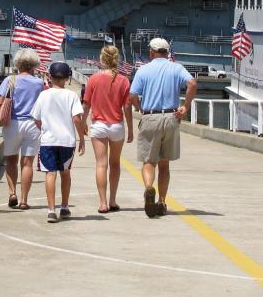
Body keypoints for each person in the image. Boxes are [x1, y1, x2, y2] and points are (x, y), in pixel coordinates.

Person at [129, 37, 197, 218]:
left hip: (150, 115)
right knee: (164, 165)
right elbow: (192, 84)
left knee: (148, 161)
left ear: (151, 52)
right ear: (167, 53)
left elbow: (132, 95)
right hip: (171, 116)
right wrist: (186, 107)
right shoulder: (177, 68)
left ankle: (149, 188)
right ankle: (162, 201)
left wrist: (139, 108)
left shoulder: (143, 70)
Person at [0, 48, 44, 210]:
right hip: (33, 125)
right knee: (27, 163)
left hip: (12, 123)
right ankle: (24, 200)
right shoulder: (40, 84)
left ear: (18, 64)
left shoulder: (10, 80)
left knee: (11, 160)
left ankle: (12, 192)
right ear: (33, 65)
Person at [31, 62, 86, 223]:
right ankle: (65, 206)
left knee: (50, 173)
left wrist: (44, 129)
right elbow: (77, 118)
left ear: (50, 76)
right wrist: (82, 138)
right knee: (65, 173)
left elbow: (36, 118)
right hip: (67, 140)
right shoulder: (72, 96)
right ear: (67, 78)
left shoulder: (44, 95)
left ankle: (51, 210)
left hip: (48, 140)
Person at [82, 45, 133, 213]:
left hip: (98, 125)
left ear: (102, 58)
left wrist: (83, 123)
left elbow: (86, 104)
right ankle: (112, 201)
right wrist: (131, 130)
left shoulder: (93, 79)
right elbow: (126, 108)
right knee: (115, 163)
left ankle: (102, 203)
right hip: (117, 125)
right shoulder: (124, 80)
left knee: (101, 164)